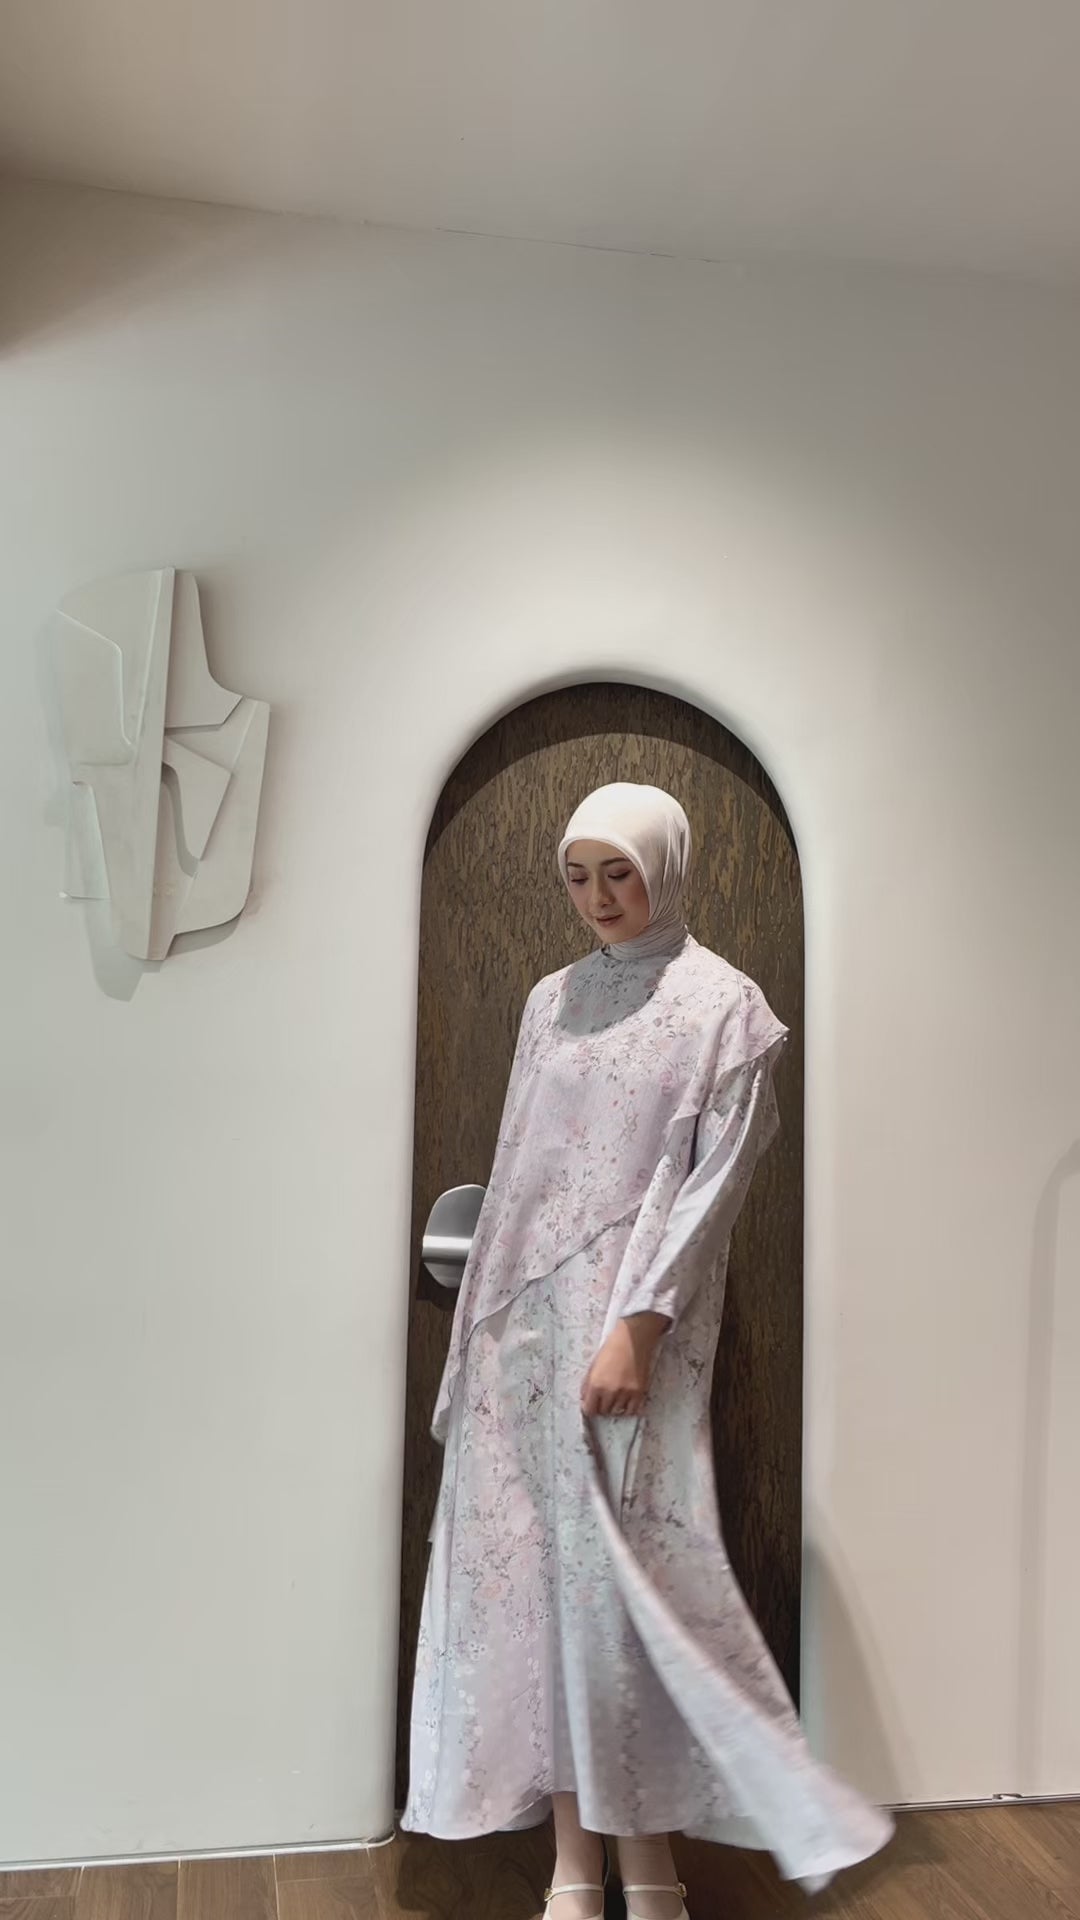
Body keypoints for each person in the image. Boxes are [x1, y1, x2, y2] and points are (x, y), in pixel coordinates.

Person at [402, 782, 892, 1919]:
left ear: (665, 865)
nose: (597, 897)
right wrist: (479, 1331)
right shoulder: (550, 998)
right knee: (540, 1587)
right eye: (578, 876)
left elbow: (715, 1190)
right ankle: (575, 1868)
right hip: (522, 1325)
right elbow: (517, 1164)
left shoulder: (725, 1006)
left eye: (617, 871)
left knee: (626, 1596)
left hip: (633, 1330)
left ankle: (655, 1867)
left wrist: (640, 1325)